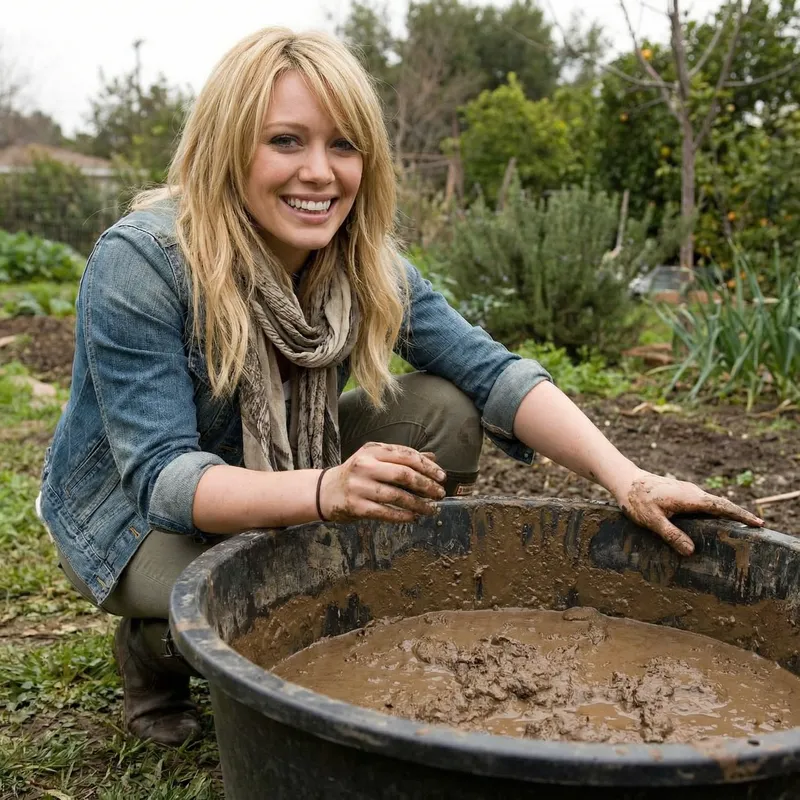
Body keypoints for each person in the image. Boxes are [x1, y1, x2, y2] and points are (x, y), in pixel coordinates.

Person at [37, 27, 763, 747]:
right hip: (131, 523)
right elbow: (164, 477)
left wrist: (628, 480)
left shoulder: (361, 260)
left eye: (344, 145)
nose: (320, 172)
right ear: (228, 145)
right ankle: (154, 645)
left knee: (443, 411)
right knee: (282, 584)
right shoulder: (145, 261)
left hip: (284, 468)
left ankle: (309, 581)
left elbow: (491, 371)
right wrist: (327, 494)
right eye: (286, 141)